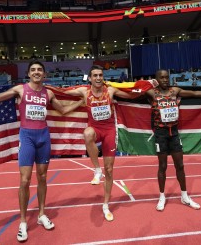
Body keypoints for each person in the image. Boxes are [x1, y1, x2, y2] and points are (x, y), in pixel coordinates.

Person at [0, 60, 84, 242]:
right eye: (33, 70)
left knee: (43, 178)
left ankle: (42, 214)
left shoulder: (49, 93)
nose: (36, 72)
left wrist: (81, 102)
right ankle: (22, 222)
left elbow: (64, 111)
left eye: (39, 70)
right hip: (27, 137)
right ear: (29, 74)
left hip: (44, 137)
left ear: (44, 75)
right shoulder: (20, 90)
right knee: (25, 180)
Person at [63, 65, 149, 221]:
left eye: (100, 75)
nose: (98, 78)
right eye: (95, 75)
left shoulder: (110, 91)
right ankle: (96, 169)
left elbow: (130, 96)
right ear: (90, 78)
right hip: (95, 130)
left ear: (103, 77)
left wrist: (145, 88)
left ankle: (105, 205)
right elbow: (61, 93)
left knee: (109, 170)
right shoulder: (84, 91)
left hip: (109, 131)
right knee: (87, 133)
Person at [145, 69, 201, 212]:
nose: (164, 80)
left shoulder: (174, 91)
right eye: (161, 78)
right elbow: (132, 92)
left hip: (174, 133)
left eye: (166, 77)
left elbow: (195, 94)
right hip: (161, 134)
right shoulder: (151, 93)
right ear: (156, 79)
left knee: (180, 165)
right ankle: (162, 196)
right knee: (162, 166)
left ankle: (184, 196)